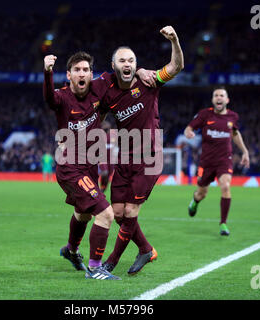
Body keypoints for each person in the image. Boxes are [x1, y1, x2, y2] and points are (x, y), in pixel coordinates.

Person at [43, 51, 155, 280]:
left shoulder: (99, 86)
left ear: (91, 74)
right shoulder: (62, 97)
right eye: (77, 70)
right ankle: (95, 268)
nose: (82, 73)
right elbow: (49, 99)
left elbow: (122, 74)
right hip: (70, 167)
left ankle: (71, 251)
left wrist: (141, 71)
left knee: (83, 213)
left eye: (85, 70)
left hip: (89, 166)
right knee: (105, 213)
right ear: (69, 75)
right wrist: (47, 72)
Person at [101, 26, 184, 275]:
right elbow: (95, 115)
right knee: (117, 212)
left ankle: (110, 263)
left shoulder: (148, 81)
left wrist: (175, 40)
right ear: (114, 65)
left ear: (136, 64)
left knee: (130, 211)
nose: (127, 64)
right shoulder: (109, 93)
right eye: (122, 60)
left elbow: (176, 66)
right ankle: (146, 249)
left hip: (148, 158)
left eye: (132, 60)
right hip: (124, 158)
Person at [184, 86, 250, 236]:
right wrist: (188, 133)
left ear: (227, 100)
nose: (219, 98)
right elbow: (189, 128)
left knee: (225, 186)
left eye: (222, 95)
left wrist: (245, 151)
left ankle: (223, 224)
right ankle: (195, 201)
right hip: (206, 162)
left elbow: (235, 133)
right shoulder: (204, 115)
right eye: (216, 95)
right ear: (213, 99)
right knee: (201, 193)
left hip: (224, 160)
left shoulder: (233, 117)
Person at [98, 121, 116, 193]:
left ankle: (102, 190)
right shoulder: (98, 137)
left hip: (111, 160)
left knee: (107, 176)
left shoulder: (113, 136)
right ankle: (98, 190)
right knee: (104, 173)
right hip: (102, 158)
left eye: (107, 129)